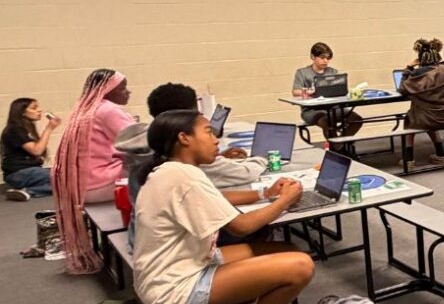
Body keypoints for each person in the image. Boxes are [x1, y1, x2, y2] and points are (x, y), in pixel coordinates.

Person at [132, 110, 313, 304]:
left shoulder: (171, 171)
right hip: (175, 284)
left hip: (184, 263)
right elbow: (242, 227)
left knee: (282, 250)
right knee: (300, 265)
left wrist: (266, 192)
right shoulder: (183, 176)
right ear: (184, 138)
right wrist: (286, 199)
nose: (216, 139)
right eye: (207, 131)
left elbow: (218, 197)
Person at [116, 83, 268, 201]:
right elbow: (240, 224)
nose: (215, 140)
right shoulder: (182, 155)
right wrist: (263, 158)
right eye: (208, 133)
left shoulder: (148, 141)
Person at [52, 69, 136, 274]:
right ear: (107, 91)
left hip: (80, 186)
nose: (128, 92)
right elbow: (140, 142)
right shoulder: (108, 110)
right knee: (155, 168)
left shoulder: (84, 109)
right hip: (97, 186)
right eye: (123, 88)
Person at [397, 38, 444, 167]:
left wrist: (408, 68)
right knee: (427, 116)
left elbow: (402, 90)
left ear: (421, 59)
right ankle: (441, 155)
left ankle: (408, 160)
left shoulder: (415, 75)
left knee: (410, 120)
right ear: (437, 56)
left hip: (426, 118)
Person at [291, 42, 361, 139]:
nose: (325, 61)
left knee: (356, 120)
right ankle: (338, 148)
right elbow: (295, 92)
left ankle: (341, 144)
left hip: (333, 108)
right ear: (313, 57)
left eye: (328, 58)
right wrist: (308, 91)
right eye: (322, 58)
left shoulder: (333, 72)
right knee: (328, 122)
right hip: (311, 111)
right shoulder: (302, 73)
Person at [3, 98, 61, 201]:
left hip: (30, 170)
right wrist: (49, 128)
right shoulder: (14, 129)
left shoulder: (26, 128)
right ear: (22, 112)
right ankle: (28, 191)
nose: (39, 110)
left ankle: (24, 190)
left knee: (62, 180)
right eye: (34, 108)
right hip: (18, 173)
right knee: (60, 181)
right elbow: (36, 151)